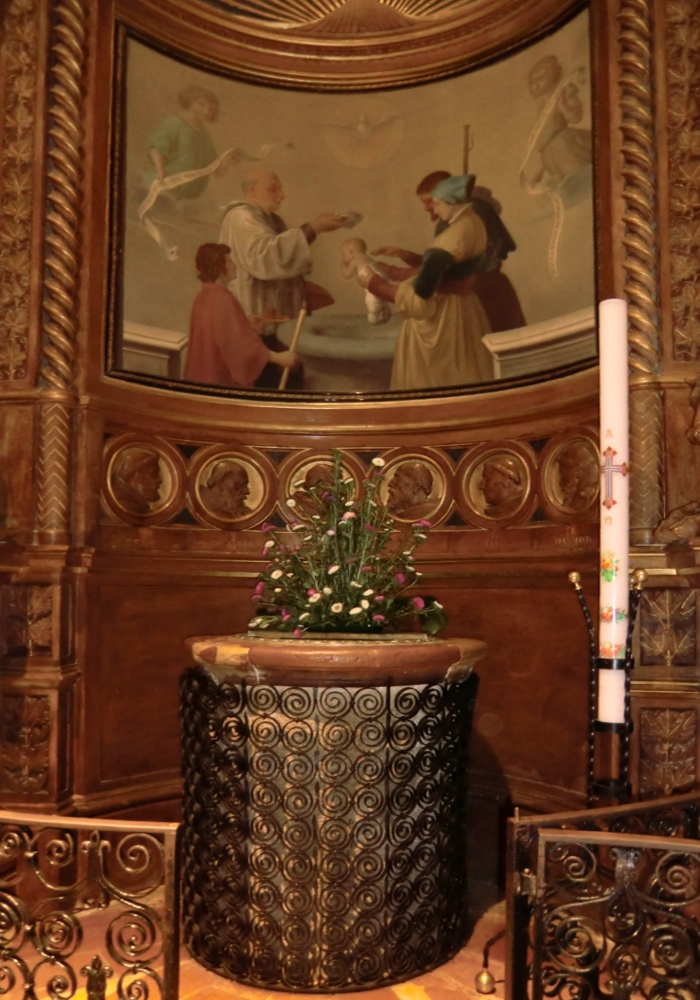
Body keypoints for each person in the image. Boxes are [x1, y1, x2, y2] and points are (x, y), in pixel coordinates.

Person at [357, 173, 493, 391]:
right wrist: (401, 262)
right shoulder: (473, 223)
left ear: (451, 200)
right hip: (465, 310)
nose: (435, 210)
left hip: (442, 321)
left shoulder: (448, 239)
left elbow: (420, 302)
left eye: (436, 203)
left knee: (437, 390)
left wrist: (374, 284)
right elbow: (448, 271)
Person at [373, 170, 525, 334]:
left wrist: (393, 273)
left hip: (487, 295)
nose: (427, 208)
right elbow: (444, 263)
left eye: (429, 201)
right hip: (469, 295)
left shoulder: (475, 215)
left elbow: (455, 270)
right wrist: (404, 255)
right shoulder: (450, 220)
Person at [183, 243, 296, 389]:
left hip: (200, 377)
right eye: (229, 261)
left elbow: (221, 333)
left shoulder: (204, 296)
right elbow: (239, 347)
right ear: (219, 266)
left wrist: (246, 324)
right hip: (218, 381)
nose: (234, 265)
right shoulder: (223, 299)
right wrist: (280, 358)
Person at [144, 85, 235, 204]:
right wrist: (160, 170)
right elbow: (156, 148)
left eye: (211, 109)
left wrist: (227, 161)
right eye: (201, 104)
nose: (206, 110)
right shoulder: (175, 123)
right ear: (189, 102)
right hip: (164, 186)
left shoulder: (204, 135)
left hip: (186, 198)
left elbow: (214, 169)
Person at [339, 237, 391, 325]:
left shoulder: (355, 259)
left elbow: (347, 275)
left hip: (372, 280)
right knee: (379, 298)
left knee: (372, 303)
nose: (343, 257)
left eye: (343, 254)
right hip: (382, 277)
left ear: (351, 252)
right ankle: (384, 310)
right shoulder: (366, 258)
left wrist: (342, 266)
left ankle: (375, 319)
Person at [111, 450, 162, 515]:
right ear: (138, 476)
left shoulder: (139, 507)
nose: (160, 481)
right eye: (154, 474)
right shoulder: (125, 506)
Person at [556, 441, 598, 510]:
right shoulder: (575, 498)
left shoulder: (590, 497)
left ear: (578, 471)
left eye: (563, 474)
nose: (560, 483)